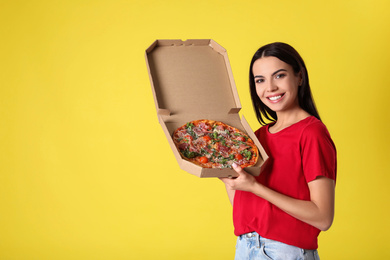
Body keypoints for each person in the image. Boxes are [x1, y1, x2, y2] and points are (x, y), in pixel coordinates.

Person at [220, 42, 337, 260]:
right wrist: (230, 180)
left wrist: (254, 186)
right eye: (260, 80)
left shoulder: (312, 133)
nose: (270, 88)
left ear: (299, 77)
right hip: (246, 247)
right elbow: (245, 206)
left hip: (285, 252)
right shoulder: (256, 137)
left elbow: (323, 217)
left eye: (279, 75)